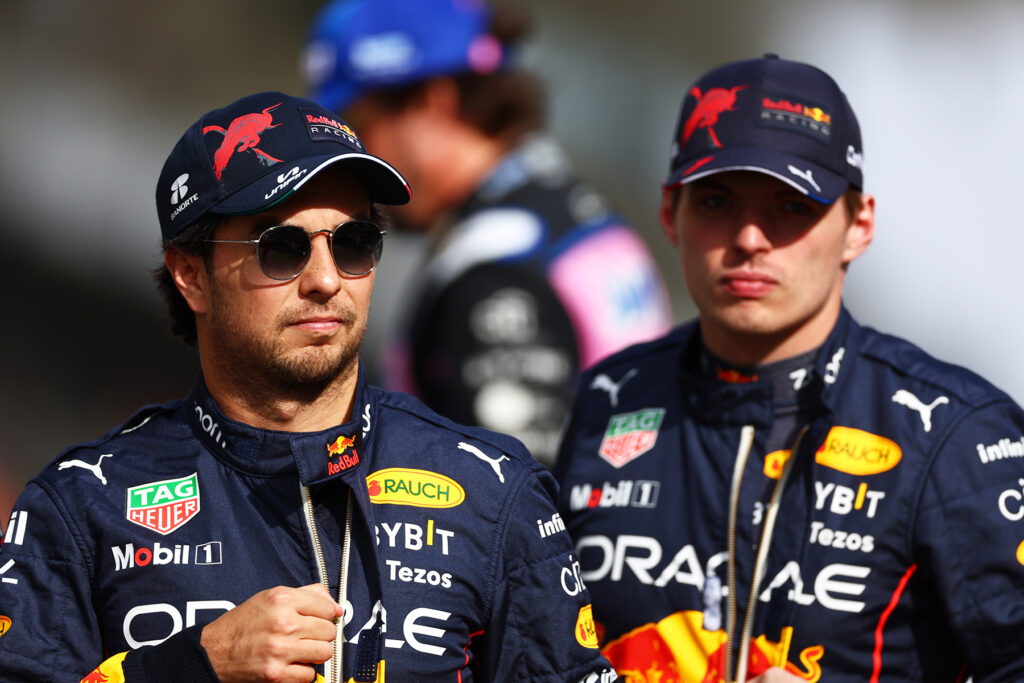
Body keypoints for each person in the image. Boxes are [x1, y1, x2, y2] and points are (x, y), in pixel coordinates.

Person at [0, 91, 619, 683]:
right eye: (283, 248)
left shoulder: (493, 488)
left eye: (353, 243)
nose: (326, 279)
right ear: (191, 275)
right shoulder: (82, 505)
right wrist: (196, 666)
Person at [553, 54, 1024, 682]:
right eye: (717, 200)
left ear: (859, 226)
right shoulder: (609, 397)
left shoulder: (957, 434)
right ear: (671, 214)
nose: (750, 237)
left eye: (792, 206)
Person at [302, 0, 673, 466]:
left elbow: (514, 507)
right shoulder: (566, 210)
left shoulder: (494, 268)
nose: (353, 158)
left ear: (433, 103)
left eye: (358, 126)